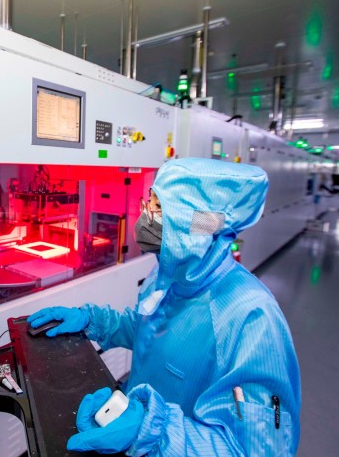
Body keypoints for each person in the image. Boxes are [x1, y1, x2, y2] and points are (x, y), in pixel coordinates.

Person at [27, 158, 301, 456]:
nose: (145, 215)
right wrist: (93, 320)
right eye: (150, 201)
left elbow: (257, 450)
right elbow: (149, 328)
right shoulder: (173, 273)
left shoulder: (252, 316)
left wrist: (150, 432)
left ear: (193, 221)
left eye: (158, 207)